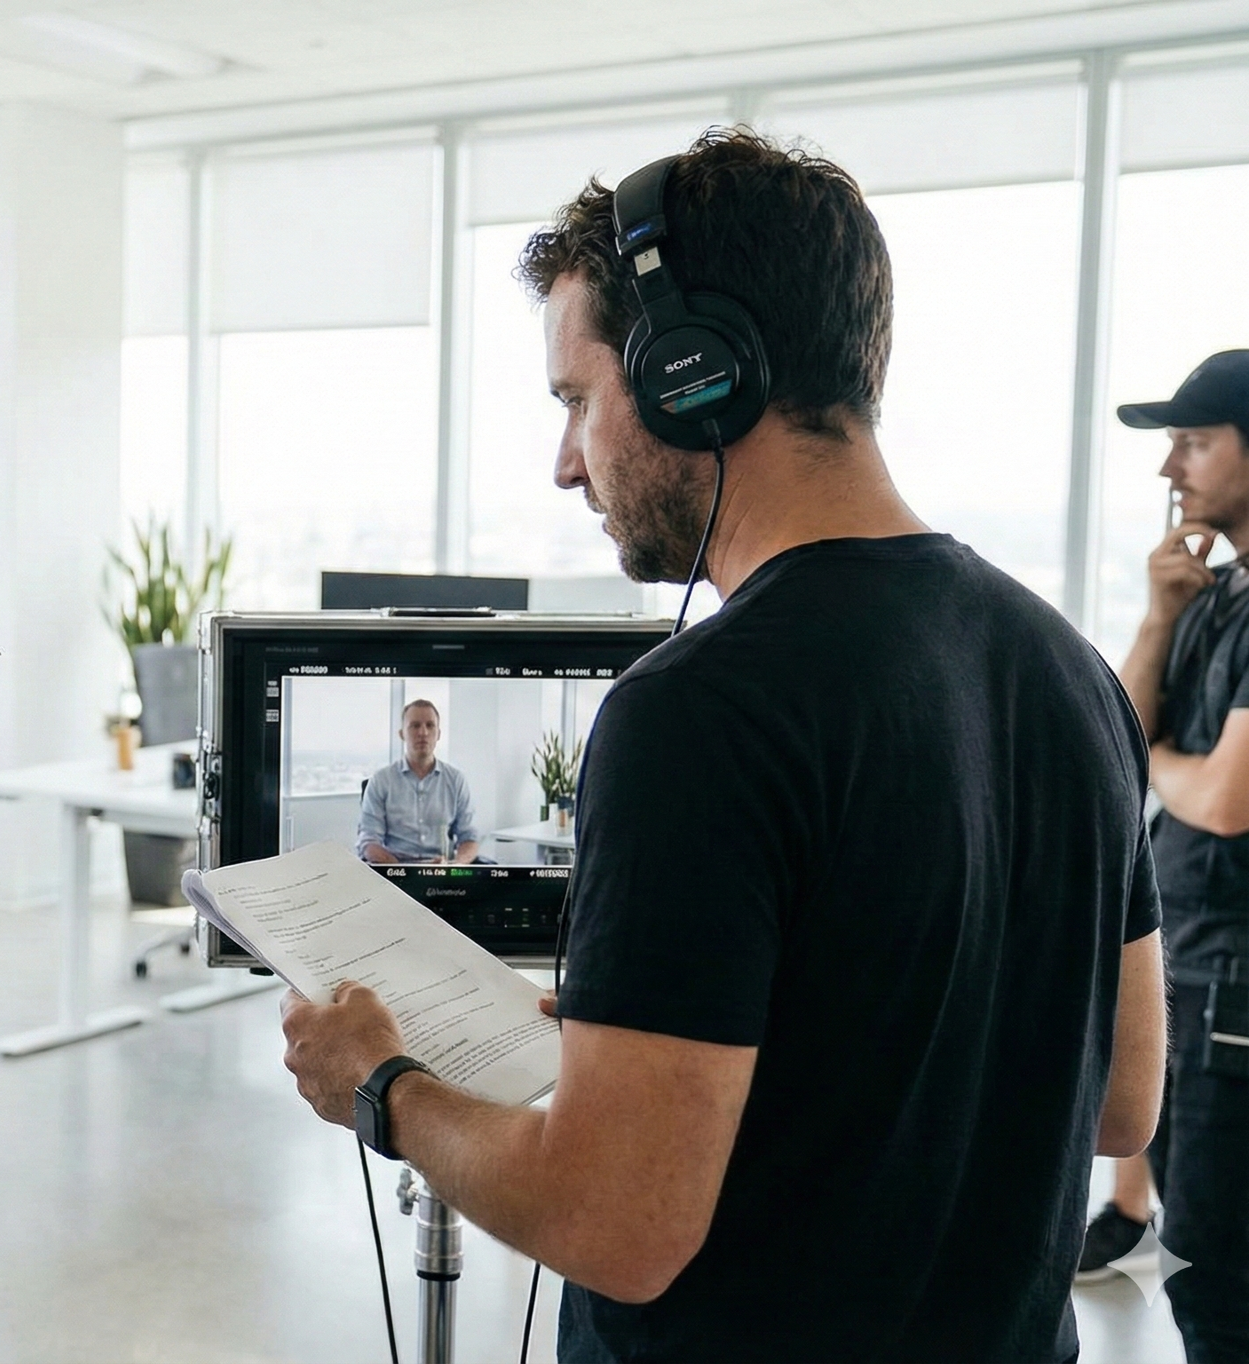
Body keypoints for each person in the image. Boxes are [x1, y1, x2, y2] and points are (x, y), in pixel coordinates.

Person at [278, 129, 1164, 1363]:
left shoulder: (694, 711)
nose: (564, 461)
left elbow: (618, 1222)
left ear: (695, 373)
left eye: (577, 399)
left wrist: (380, 1083)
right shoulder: (1071, 669)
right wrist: (648, 1035)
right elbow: (1120, 1100)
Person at [1103, 348, 1249, 1359]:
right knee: (1199, 1257)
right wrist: (1159, 612)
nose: (1169, 467)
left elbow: (1228, 797)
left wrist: (1154, 758)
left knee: (1216, 1270)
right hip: (1191, 966)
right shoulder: (1212, 594)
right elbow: (1120, 729)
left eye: (1192, 440)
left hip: (1231, 988)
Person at [354, 699, 479, 865]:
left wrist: (456, 865)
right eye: (415, 726)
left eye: (430, 725)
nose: (423, 733)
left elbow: (469, 837)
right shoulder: (381, 781)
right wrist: (401, 871)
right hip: (394, 870)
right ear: (402, 734)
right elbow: (368, 841)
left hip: (442, 873)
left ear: (439, 733)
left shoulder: (456, 780)